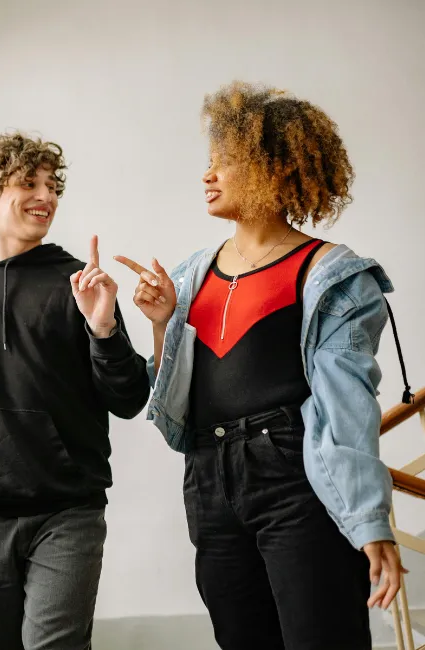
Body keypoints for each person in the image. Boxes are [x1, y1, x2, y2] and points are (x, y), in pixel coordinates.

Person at [115, 81, 406, 650]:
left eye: (224, 164)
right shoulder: (191, 273)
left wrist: (370, 521)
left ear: (272, 171)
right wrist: (159, 323)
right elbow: (173, 390)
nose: (207, 175)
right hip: (207, 476)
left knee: (322, 637)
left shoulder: (332, 275)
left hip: (292, 476)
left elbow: (348, 404)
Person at [0, 132, 151, 649]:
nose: (45, 196)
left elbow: (130, 398)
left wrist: (104, 329)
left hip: (67, 508)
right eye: (28, 183)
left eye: (51, 185)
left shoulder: (78, 284)